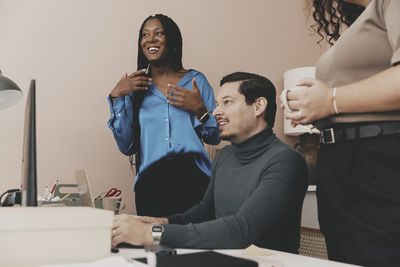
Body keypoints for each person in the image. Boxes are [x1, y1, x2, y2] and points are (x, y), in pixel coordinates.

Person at [111, 72, 308, 253]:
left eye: (227, 102)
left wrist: (150, 234)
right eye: (217, 104)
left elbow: (242, 230)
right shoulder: (226, 155)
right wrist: (162, 222)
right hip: (226, 258)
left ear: (258, 106)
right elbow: (204, 212)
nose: (215, 112)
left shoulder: (286, 160)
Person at [284, 0, 400, 265]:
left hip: (376, 160)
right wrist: (314, 106)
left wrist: (331, 100)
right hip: (343, 162)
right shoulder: (360, 22)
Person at [107, 14, 220, 217]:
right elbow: (127, 147)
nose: (150, 39)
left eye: (159, 33)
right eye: (145, 35)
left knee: (195, 245)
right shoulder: (135, 88)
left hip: (194, 180)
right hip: (151, 184)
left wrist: (200, 110)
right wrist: (116, 97)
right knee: (154, 245)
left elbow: (215, 136)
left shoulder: (196, 81)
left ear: (172, 40)